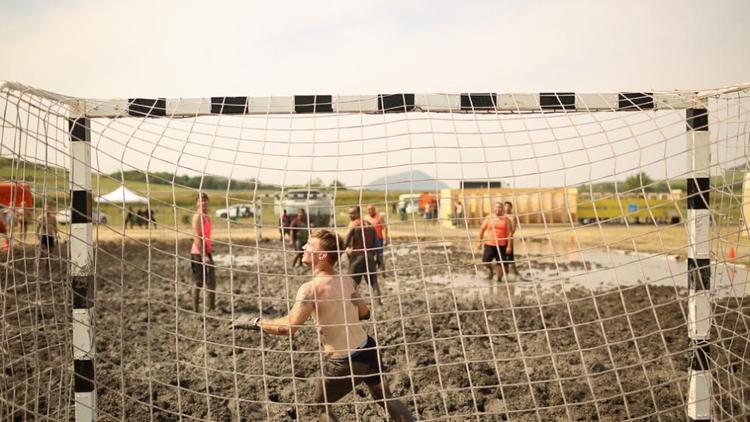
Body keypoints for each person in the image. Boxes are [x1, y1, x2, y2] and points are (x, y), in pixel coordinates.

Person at [231, 229, 413, 422]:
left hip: (344, 362)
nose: (303, 247)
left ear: (323, 255)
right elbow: (364, 313)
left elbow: (288, 328)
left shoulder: (310, 289)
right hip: (368, 349)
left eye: (309, 244)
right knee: (385, 397)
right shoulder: (348, 280)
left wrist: (256, 323)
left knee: (320, 406)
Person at [345, 206, 382, 305]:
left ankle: (351, 302)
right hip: (369, 257)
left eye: (352, 213)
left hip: (357, 257)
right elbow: (377, 244)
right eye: (349, 213)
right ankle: (379, 302)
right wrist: (379, 258)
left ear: (358, 213)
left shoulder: (353, 225)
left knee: (351, 282)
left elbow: (345, 242)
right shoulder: (369, 225)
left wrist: (340, 253)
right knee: (374, 282)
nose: (350, 215)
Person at [190, 193, 216, 312]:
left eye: (206, 200)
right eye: (201, 200)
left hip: (207, 251)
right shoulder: (197, 217)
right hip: (198, 253)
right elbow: (196, 237)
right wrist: (204, 255)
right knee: (199, 282)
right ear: (197, 203)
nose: (204, 202)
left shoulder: (207, 216)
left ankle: (211, 308)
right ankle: (195, 310)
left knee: (211, 281)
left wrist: (209, 250)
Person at [477, 201, 513, 282]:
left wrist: (509, 246)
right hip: (490, 244)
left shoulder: (506, 220)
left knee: (501, 264)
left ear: (502, 209)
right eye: (496, 207)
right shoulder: (489, 218)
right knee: (485, 261)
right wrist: (479, 242)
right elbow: (482, 230)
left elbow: (510, 233)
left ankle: (499, 281)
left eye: (499, 207)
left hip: (502, 245)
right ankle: (491, 271)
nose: (497, 209)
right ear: (493, 208)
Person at [364, 205, 387, 277]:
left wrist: (385, 239)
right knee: (370, 256)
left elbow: (384, 228)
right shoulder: (366, 218)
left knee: (380, 256)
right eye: (368, 209)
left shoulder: (379, 217)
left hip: (378, 239)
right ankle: (372, 272)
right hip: (370, 240)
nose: (370, 211)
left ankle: (383, 273)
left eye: (371, 209)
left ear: (374, 209)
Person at [503, 201, 521, 279]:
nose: (507, 207)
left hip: (509, 239)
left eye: (508, 206)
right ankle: (505, 271)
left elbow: (513, 229)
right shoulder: (502, 215)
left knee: (510, 256)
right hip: (501, 239)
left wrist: (508, 235)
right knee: (503, 256)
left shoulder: (512, 217)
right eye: (505, 206)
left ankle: (515, 271)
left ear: (511, 207)